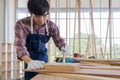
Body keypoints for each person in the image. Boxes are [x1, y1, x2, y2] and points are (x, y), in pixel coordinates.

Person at [14, 0, 70, 80]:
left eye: (44, 15)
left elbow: (58, 40)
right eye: (37, 16)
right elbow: (20, 46)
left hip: (44, 60)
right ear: (31, 13)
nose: (42, 20)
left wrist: (63, 46)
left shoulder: (51, 25)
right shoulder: (21, 24)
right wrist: (30, 62)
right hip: (30, 60)